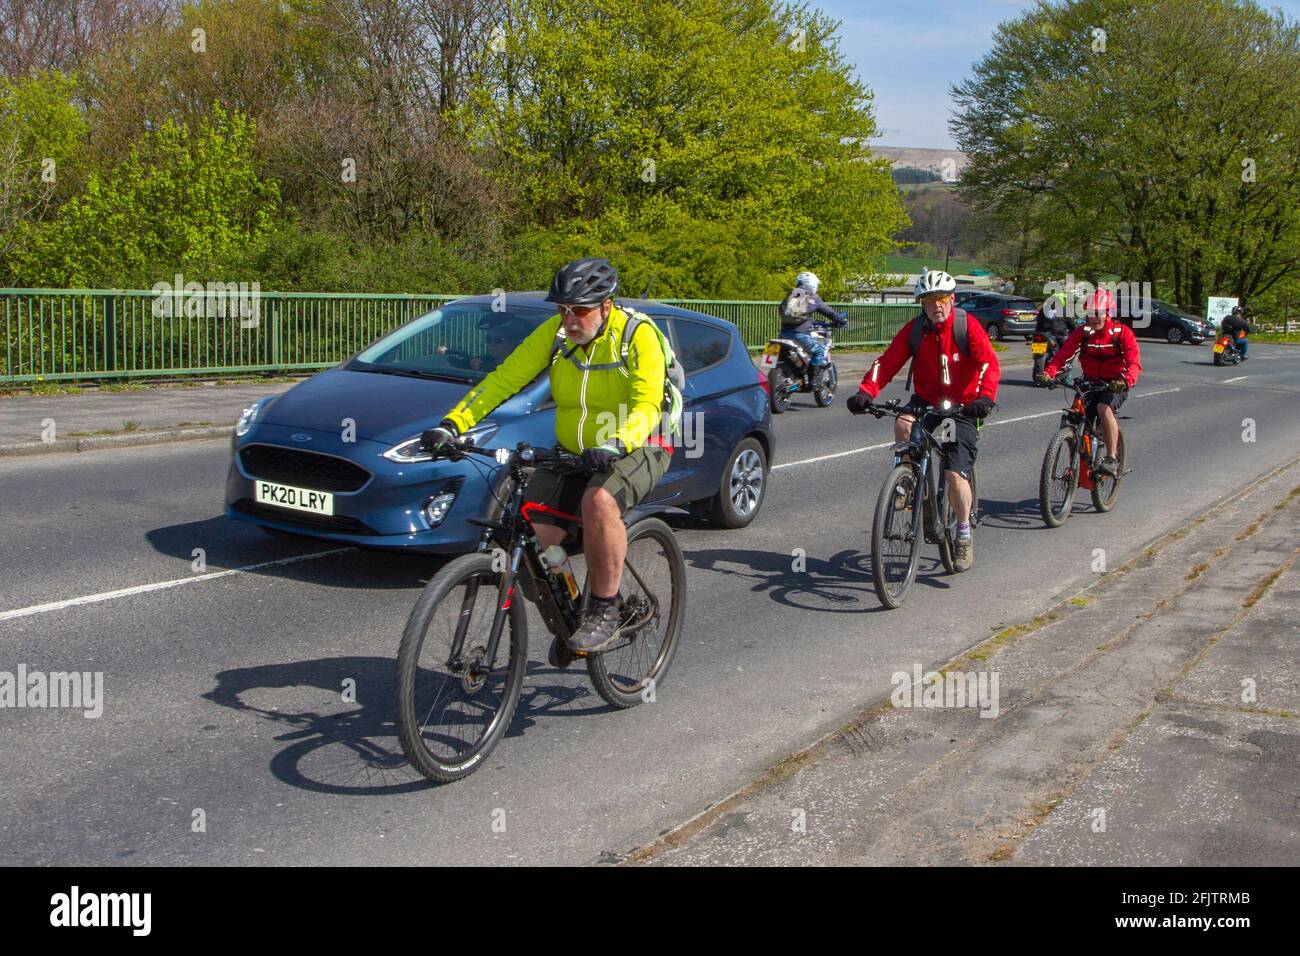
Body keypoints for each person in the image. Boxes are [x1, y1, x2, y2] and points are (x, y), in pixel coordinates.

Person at [420, 258, 674, 660]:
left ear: (606, 306)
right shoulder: (555, 336)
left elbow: (646, 404)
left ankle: (605, 608)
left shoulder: (637, 335)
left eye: (581, 310)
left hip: (641, 442)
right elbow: (503, 380)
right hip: (576, 450)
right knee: (538, 536)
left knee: (599, 501)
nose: (570, 320)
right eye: (563, 309)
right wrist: (454, 424)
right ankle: (571, 615)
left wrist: (617, 442)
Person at [845, 268, 1001, 572]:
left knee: (954, 475)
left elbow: (988, 364)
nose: (936, 305)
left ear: (952, 299)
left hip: (964, 406)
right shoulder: (917, 330)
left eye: (941, 298)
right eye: (929, 300)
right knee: (903, 422)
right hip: (927, 401)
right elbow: (887, 362)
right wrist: (866, 391)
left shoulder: (966, 327)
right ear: (922, 304)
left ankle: (964, 534)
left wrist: (984, 398)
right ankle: (909, 481)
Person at [1037, 288, 1142, 477]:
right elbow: (1062, 355)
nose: (1093, 318)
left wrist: (1125, 380)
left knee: (1103, 408)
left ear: (1107, 313)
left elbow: (1134, 363)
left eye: (1098, 313)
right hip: (1090, 382)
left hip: (1114, 384)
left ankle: (1111, 458)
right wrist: (1048, 372)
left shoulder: (1121, 333)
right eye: (1090, 314)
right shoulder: (1083, 333)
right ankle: (1076, 460)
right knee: (1075, 415)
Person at [778, 271, 848, 384]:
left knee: (790, 357)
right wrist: (841, 320)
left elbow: (781, 309)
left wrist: (809, 321)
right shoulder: (813, 297)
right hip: (800, 335)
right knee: (819, 351)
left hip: (784, 334)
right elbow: (829, 312)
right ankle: (814, 381)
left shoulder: (791, 294)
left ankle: (795, 376)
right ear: (812, 284)